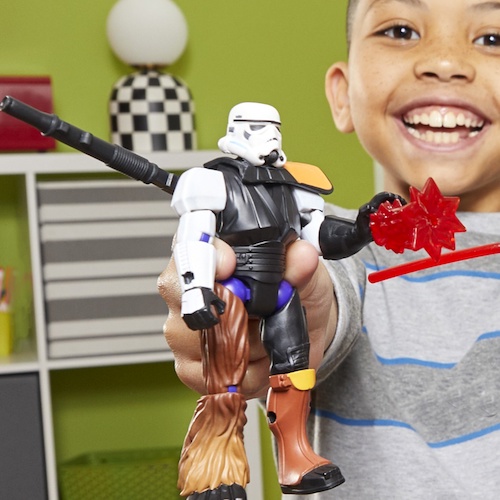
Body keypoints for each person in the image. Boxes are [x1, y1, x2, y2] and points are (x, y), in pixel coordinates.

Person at [159, 0, 500, 498]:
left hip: (277, 292)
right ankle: (219, 461)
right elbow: (325, 281)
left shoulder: (298, 193)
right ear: (342, 96)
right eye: (400, 30)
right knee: (239, 371)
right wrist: (199, 290)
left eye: (493, 38)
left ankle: (290, 453)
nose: (445, 62)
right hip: (252, 291)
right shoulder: (342, 256)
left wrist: (358, 228)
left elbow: (331, 234)